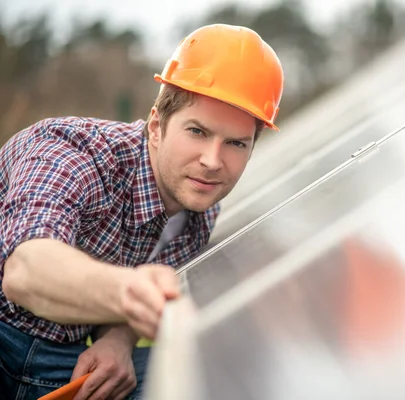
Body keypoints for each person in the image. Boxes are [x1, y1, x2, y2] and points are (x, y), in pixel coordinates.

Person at [0, 23, 284, 400]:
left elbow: (129, 307)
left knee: (226, 371)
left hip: (67, 364)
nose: (213, 161)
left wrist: (118, 337)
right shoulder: (71, 153)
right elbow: (25, 271)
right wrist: (128, 293)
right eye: (197, 132)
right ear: (156, 125)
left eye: (235, 143)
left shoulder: (199, 210)